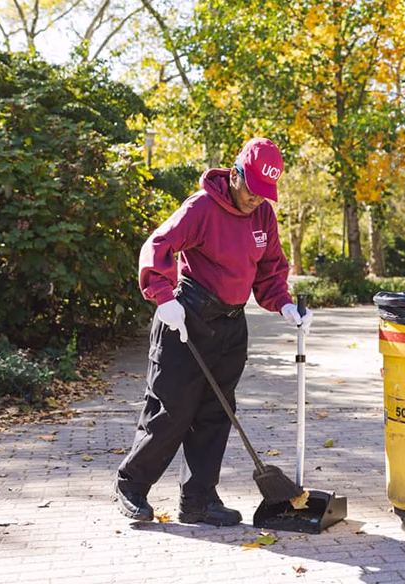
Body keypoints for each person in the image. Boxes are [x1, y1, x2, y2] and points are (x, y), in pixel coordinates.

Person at [114, 137, 313, 526]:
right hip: (186, 318)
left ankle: (198, 499)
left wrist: (284, 304)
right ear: (236, 174)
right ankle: (131, 485)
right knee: (171, 412)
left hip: (231, 324)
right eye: (253, 190)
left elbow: (271, 268)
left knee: (216, 413)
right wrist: (162, 295)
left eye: (265, 193)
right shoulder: (202, 206)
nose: (258, 199)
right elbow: (159, 244)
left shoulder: (263, 217)